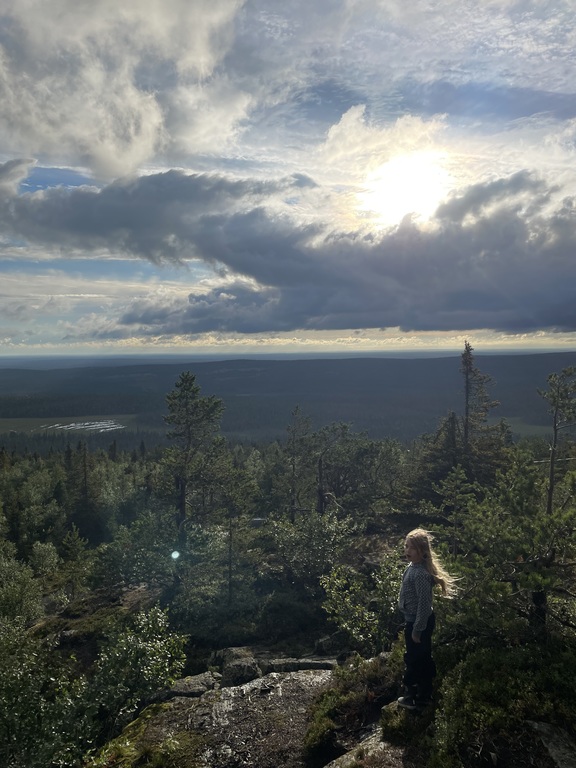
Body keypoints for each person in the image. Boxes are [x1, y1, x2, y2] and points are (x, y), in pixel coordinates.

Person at [397, 528, 456, 711]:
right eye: (406, 546)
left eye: (412, 548)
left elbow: (424, 604)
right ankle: (416, 695)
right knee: (415, 658)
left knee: (418, 659)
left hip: (419, 623)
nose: (407, 551)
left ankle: (419, 697)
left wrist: (417, 629)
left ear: (422, 552)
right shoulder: (411, 568)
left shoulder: (421, 574)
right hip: (413, 621)